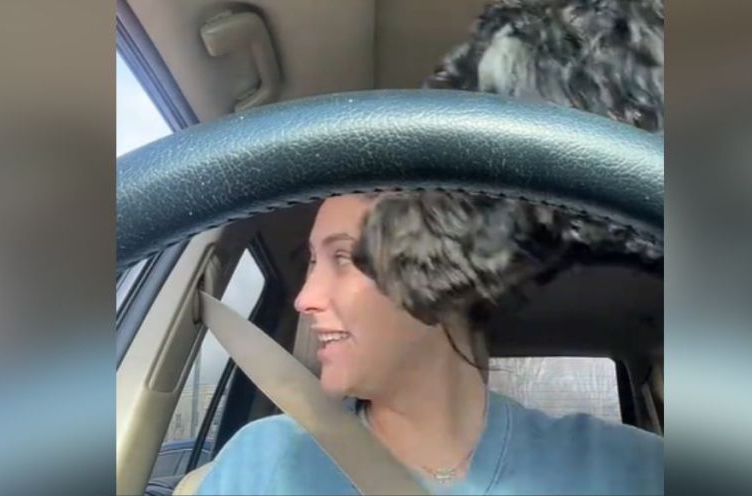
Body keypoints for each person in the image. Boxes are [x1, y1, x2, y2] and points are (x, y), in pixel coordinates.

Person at [197, 194, 663, 495]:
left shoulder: (629, 469)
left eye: (343, 258)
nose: (304, 298)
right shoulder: (262, 464)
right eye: (312, 262)